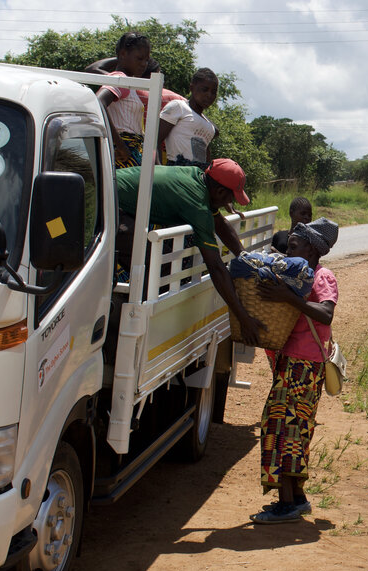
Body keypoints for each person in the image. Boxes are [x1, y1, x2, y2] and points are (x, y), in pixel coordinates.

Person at [114, 158, 263, 346]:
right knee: (160, 268)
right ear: (218, 191)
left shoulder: (198, 177)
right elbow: (216, 267)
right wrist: (243, 317)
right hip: (106, 201)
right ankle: (131, 327)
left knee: (163, 265)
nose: (231, 202)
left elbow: (219, 223)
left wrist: (245, 257)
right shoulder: (197, 203)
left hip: (113, 195)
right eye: (231, 197)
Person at [250, 217, 339, 524]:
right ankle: (294, 499)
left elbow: (326, 314)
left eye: (294, 247)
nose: (288, 253)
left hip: (305, 366)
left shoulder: (321, 275)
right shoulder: (301, 274)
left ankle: (288, 504)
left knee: (282, 429)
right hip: (294, 363)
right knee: (291, 431)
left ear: (313, 249)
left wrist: (290, 297)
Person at [96, 32, 152, 168]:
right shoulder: (120, 79)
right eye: (139, 58)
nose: (144, 64)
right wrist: (121, 146)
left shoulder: (128, 83)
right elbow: (99, 102)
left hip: (130, 150)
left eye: (146, 60)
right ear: (123, 54)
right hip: (122, 153)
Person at [157, 68, 219, 168]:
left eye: (213, 92)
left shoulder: (209, 126)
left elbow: (205, 154)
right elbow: (156, 139)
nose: (209, 95)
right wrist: (158, 169)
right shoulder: (179, 107)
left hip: (197, 175)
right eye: (205, 90)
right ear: (192, 87)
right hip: (177, 169)